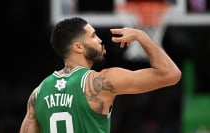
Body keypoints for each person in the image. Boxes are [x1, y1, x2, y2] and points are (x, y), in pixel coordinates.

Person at [19, 17, 181, 133]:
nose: (100, 40)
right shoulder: (99, 82)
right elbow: (170, 74)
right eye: (93, 36)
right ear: (79, 47)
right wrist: (142, 36)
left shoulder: (38, 93)